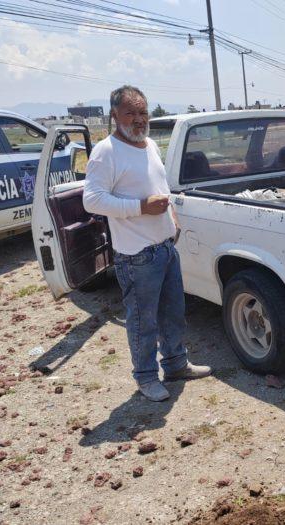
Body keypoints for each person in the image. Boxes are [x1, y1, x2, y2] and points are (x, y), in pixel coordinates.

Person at [83, 85, 212, 401]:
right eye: (131, 113)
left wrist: (173, 219)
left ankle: (176, 364)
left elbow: (161, 188)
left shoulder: (150, 144)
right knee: (143, 322)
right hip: (137, 256)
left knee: (173, 313)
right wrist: (140, 207)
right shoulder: (106, 151)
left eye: (143, 112)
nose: (139, 119)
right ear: (115, 115)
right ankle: (145, 378)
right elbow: (92, 200)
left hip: (165, 247)